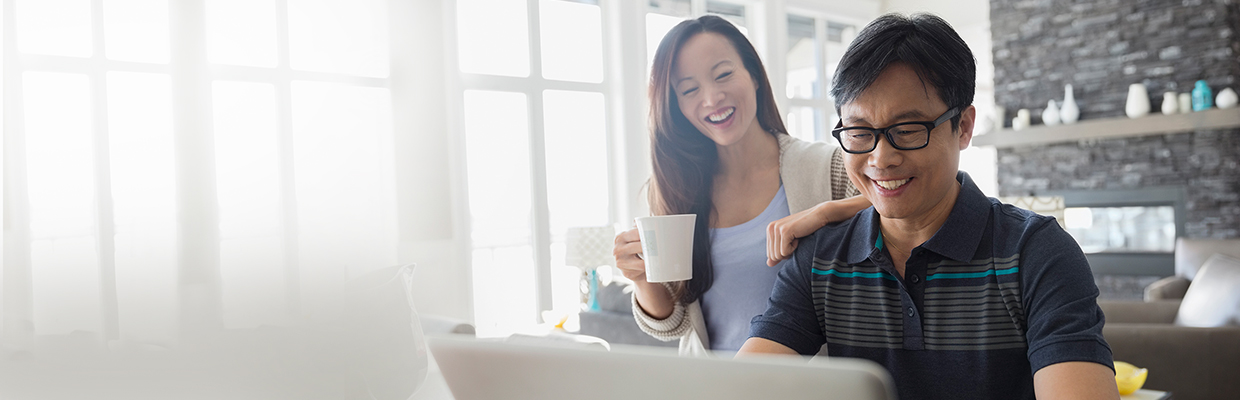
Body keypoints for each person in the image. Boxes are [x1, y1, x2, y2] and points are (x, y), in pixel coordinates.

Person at [738, 13, 1119, 400]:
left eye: (907, 130)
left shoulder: (1036, 253)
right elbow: (740, 386)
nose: (880, 158)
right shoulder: (821, 257)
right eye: (859, 132)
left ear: (964, 126)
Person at [612, 15, 870, 356]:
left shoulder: (827, 166)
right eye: (690, 89)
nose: (712, 97)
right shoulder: (673, 190)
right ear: (677, 107)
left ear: (754, 75)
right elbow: (674, 324)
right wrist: (643, 280)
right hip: (713, 386)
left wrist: (823, 214)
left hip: (809, 385)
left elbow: (901, 211)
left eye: (723, 75)